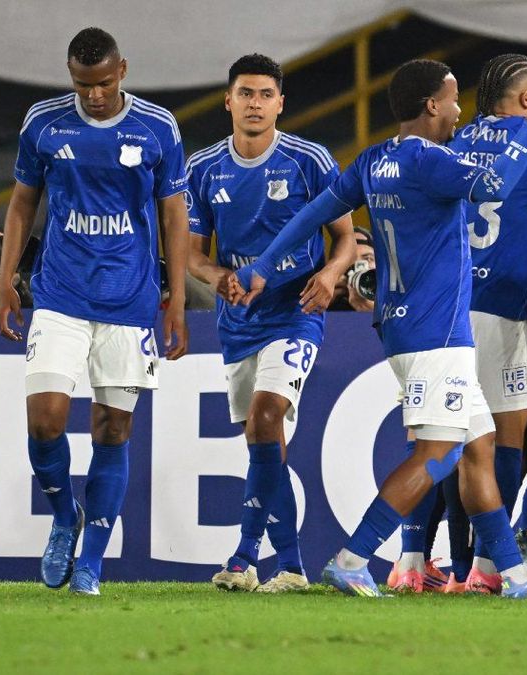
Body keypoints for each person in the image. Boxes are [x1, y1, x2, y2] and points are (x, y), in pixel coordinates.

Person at [234, 58, 527, 599]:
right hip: (436, 333)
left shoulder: (375, 159)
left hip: (409, 326)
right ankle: (352, 557)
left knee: (476, 447)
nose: (461, 111)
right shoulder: (431, 161)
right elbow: (499, 183)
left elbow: (311, 214)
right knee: (436, 456)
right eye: (455, 99)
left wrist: (261, 265)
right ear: (432, 104)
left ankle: (516, 576)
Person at [0, 27, 190, 595]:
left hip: (129, 300)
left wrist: (175, 298)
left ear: (122, 71)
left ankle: (93, 563)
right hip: (60, 292)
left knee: (112, 429)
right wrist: (7, 278)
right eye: (83, 85)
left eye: (103, 83)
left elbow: (175, 215)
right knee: (46, 419)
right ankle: (63, 516)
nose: (94, 95)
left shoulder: (157, 128)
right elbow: (22, 202)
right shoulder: (44, 123)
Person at [184, 54, 356, 593]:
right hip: (238, 322)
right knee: (264, 442)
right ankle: (292, 567)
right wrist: (217, 277)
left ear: (281, 103)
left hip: (295, 314)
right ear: (228, 101)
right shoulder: (204, 168)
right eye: (245, 93)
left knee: (264, 420)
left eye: (265, 94)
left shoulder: (309, 160)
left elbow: (347, 239)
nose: (254, 103)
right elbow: (192, 253)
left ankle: (241, 556)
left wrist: (330, 275)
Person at [442, 53, 527, 594]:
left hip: (451, 307)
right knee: (504, 439)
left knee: (451, 440)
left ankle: (442, 562)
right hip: (501, 309)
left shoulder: (456, 142)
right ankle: (485, 566)